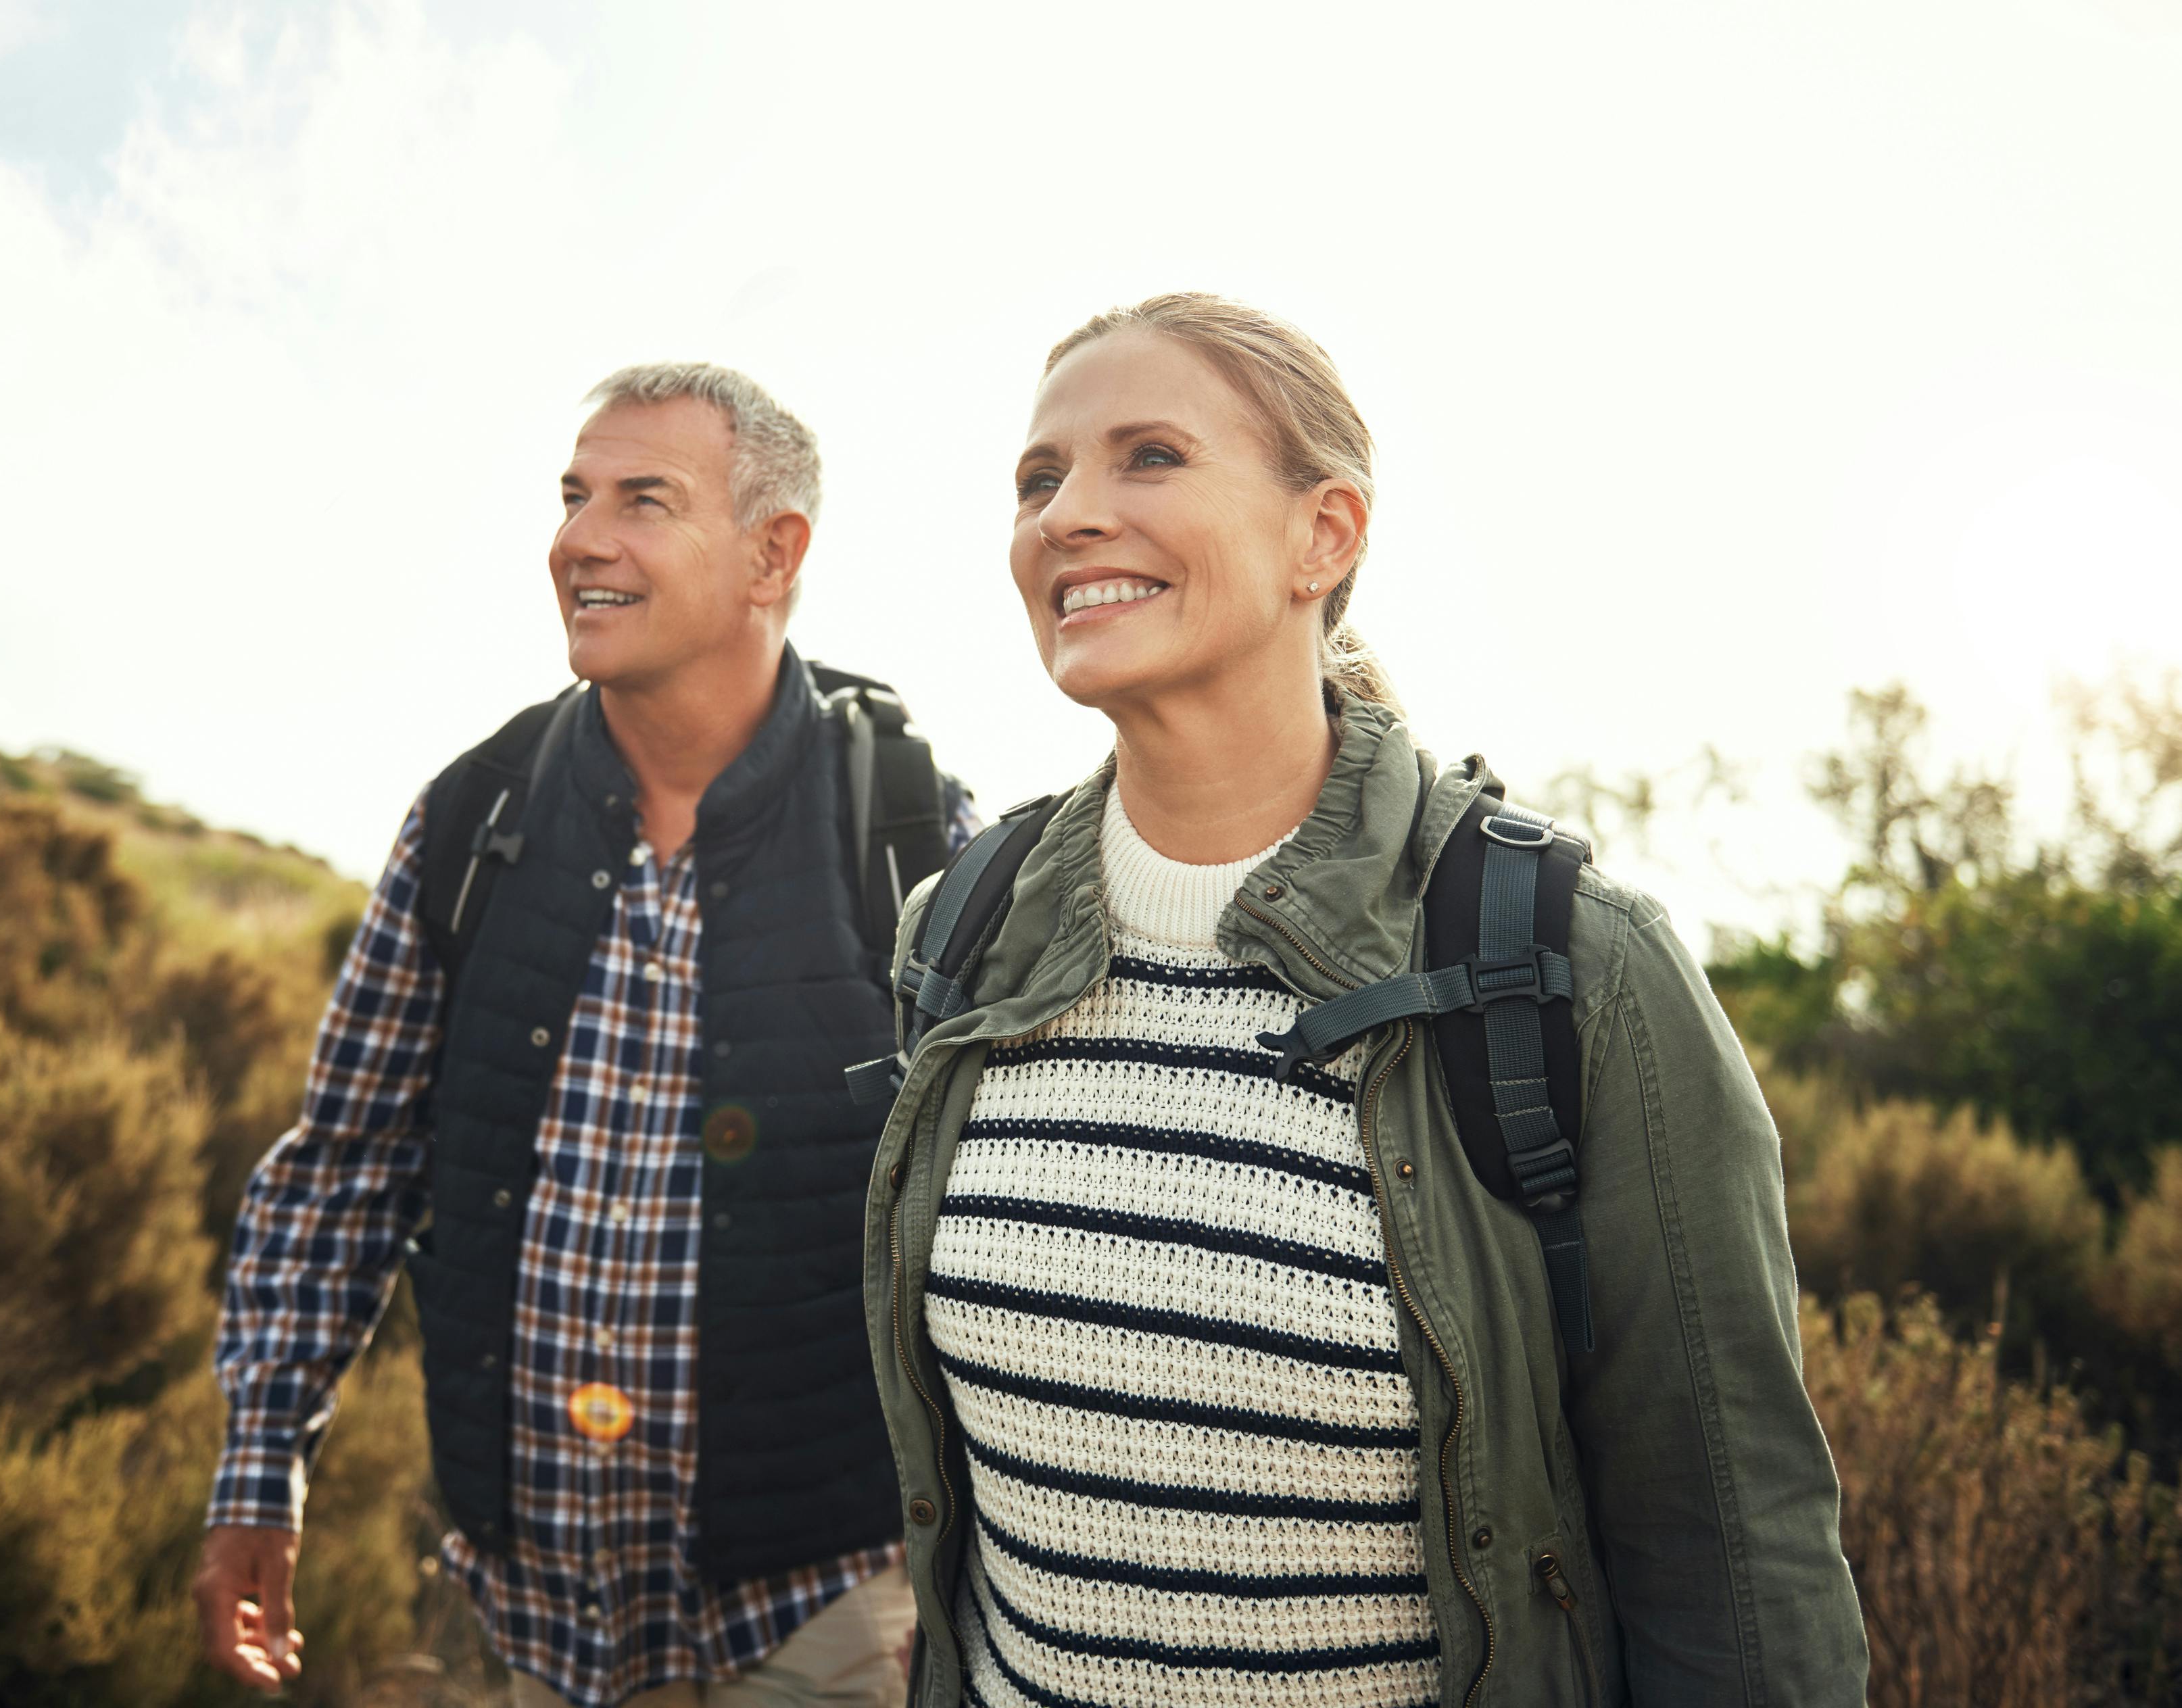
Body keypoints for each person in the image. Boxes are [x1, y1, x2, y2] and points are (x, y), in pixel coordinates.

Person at [862, 295, 1867, 1706]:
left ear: (1321, 535)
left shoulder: (1574, 966)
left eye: (1147, 456)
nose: (1067, 514)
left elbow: (1737, 1563)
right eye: (1038, 479)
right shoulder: (957, 934)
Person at [196, 362, 977, 1707]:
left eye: (642, 500)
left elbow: (987, 1215)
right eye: (571, 497)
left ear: (769, 555)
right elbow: (342, 1166)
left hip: (827, 1607)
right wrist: (261, 1463)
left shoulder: (906, 824)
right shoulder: (471, 817)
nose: (577, 538)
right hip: (536, 1617)